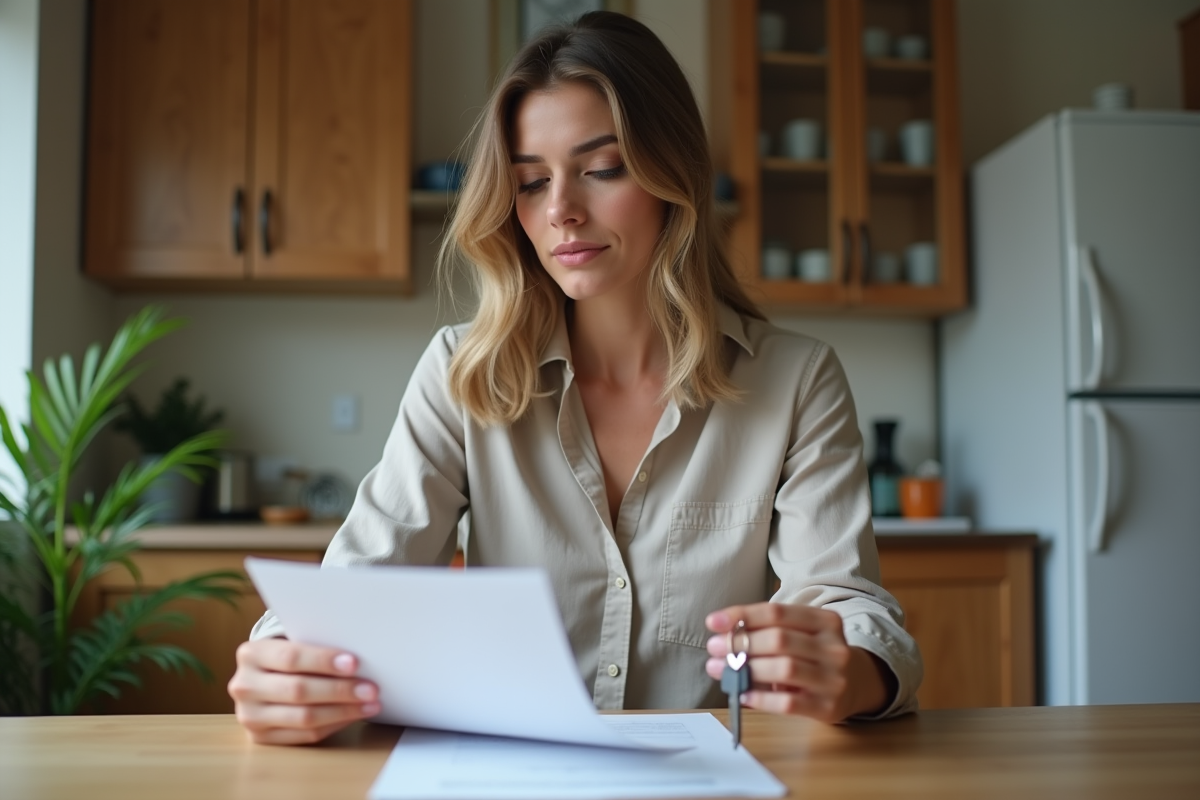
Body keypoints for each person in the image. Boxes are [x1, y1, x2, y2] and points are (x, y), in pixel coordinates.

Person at [228, 11, 921, 746]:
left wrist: (852, 668)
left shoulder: (797, 380)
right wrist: (282, 660)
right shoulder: (463, 374)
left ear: (671, 175)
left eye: (602, 168)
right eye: (530, 182)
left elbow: (845, 602)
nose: (560, 209)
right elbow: (351, 595)